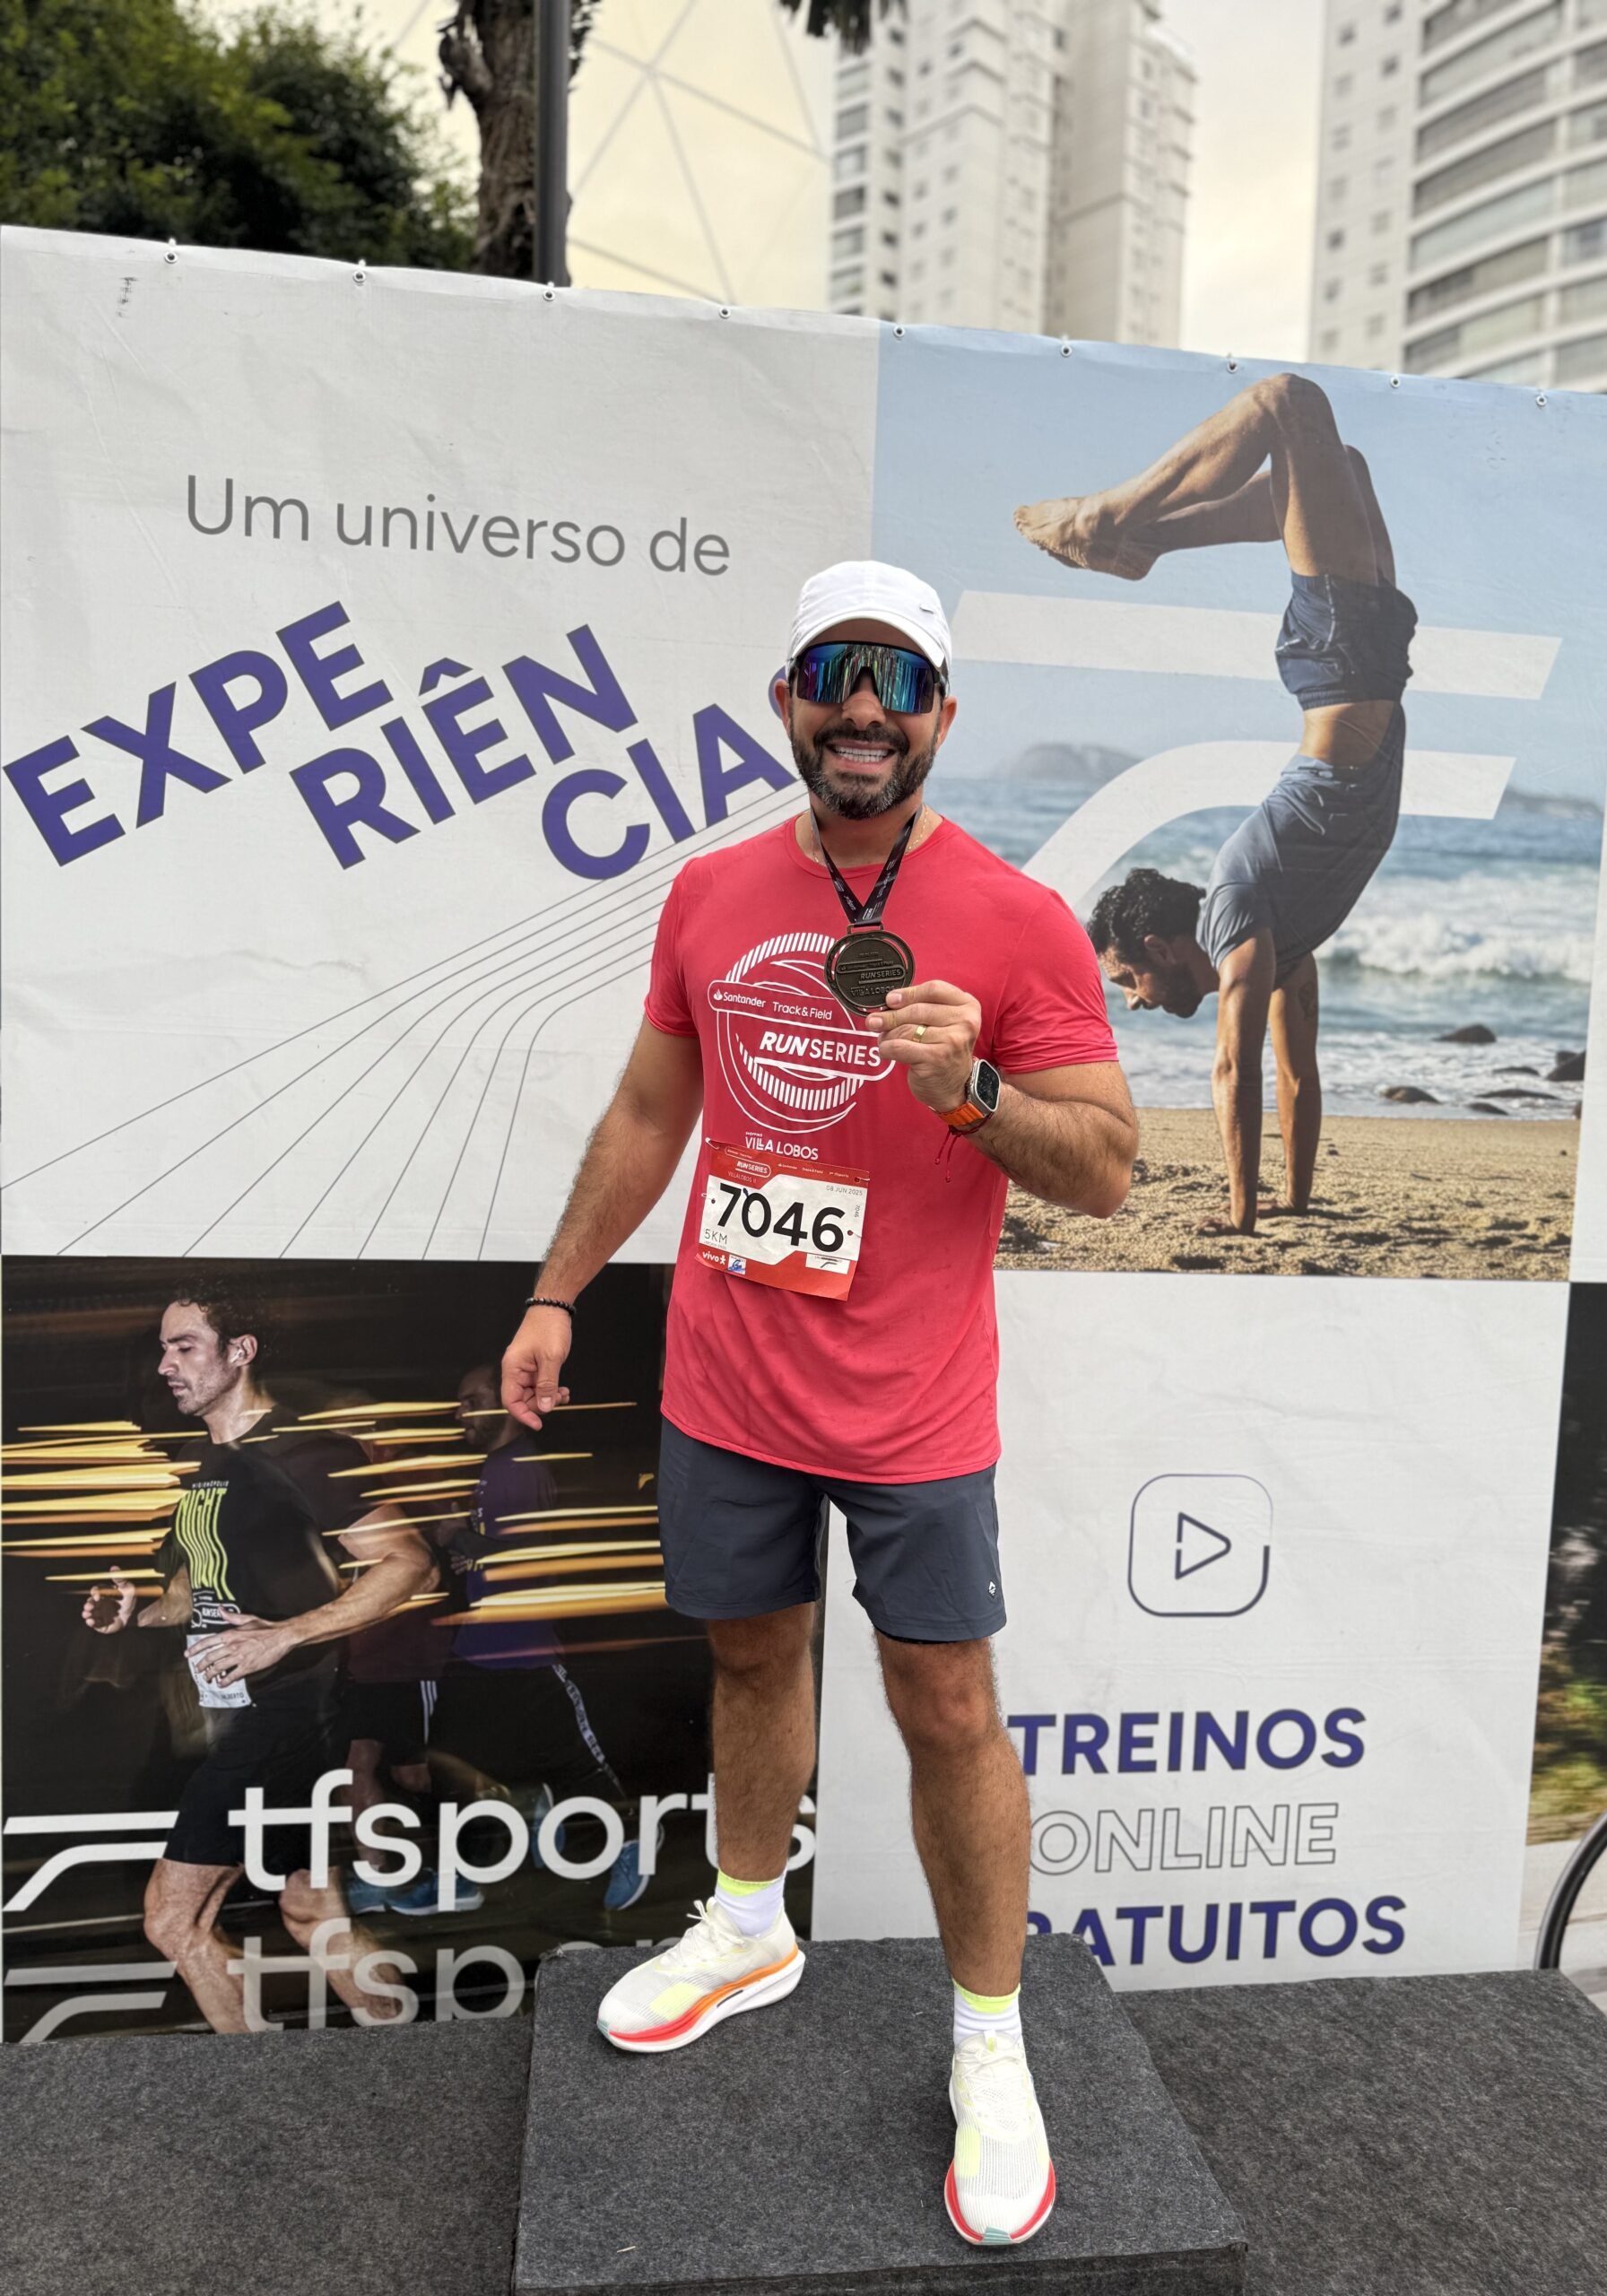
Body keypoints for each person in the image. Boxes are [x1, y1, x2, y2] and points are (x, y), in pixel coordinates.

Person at [499, 561, 1134, 2248]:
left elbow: (1110, 1171)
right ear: (787, 699)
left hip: (912, 1407)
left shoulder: (1014, 917)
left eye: (898, 680)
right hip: (725, 1375)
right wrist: (561, 1290)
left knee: (944, 1711)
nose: (863, 709)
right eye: (832, 677)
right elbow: (652, 1109)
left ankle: (991, 2044)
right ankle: (746, 1920)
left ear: (940, 712)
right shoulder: (710, 892)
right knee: (752, 1655)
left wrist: (975, 1092)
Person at [1015, 371, 1417, 1234]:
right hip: (1372, 657)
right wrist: (1294, 1202)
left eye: (1127, 978)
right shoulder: (1277, 939)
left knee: (1287, 404)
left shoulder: (1236, 909)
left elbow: (1234, 1072)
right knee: (1337, 462)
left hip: (1345, 660)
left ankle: (1111, 520)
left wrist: (1239, 1216)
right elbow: (1297, 1075)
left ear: (1160, 945)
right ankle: (1143, 540)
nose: (1134, 998)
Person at [83, 1283, 436, 2031]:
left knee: (172, 1920)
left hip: (285, 1721)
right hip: (249, 1719)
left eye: (184, 1347)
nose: (165, 1366)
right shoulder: (205, 1462)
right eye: (163, 1349)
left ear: (239, 1353)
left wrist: (284, 1634)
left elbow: (410, 1563)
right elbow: (194, 1589)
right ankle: (409, 2046)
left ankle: (252, 2086)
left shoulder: (303, 1453)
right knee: (311, 1909)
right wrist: (140, 1611)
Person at [425, 1361, 649, 1912]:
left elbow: (536, 1562)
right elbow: (499, 1551)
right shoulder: (494, 1467)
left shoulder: (519, 1466)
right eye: (459, 1403)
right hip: (479, 1651)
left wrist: (463, 1539)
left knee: (577, 1766)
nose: (461, 1414)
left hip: (523, 1650)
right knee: (448, 1761)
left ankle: (635, 1843)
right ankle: (467, 1872)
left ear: (504, 1402)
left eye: (471, 1400)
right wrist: (470, 1553)